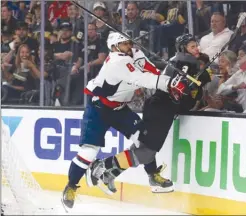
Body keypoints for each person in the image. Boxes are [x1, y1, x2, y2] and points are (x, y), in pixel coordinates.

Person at [62, 31, 186, 209]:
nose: (130, 46)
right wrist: (169, 84)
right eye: (125, 44)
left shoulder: (134, 53)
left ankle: (153, 176)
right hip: (98, 109)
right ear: (114, 47)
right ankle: (71, 187)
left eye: (129, 42)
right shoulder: (116, 61)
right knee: (89, 152)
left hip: (119, 109)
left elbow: (151, 70)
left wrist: (170, 79)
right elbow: (142, 78)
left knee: (144, 140)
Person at [87, 34, 212, 195]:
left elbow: (184, 92)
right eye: (192, 46)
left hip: (158, 107)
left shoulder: (181, 61)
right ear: (183, 48)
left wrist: (198, 80)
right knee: (146, 152)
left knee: (143, 146)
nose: (197, 49)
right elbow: (179, 95)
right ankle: (104, 165)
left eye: (197, 45)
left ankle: (115, 173)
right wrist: (199, 80)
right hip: (161, 109)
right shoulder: (185, 62)